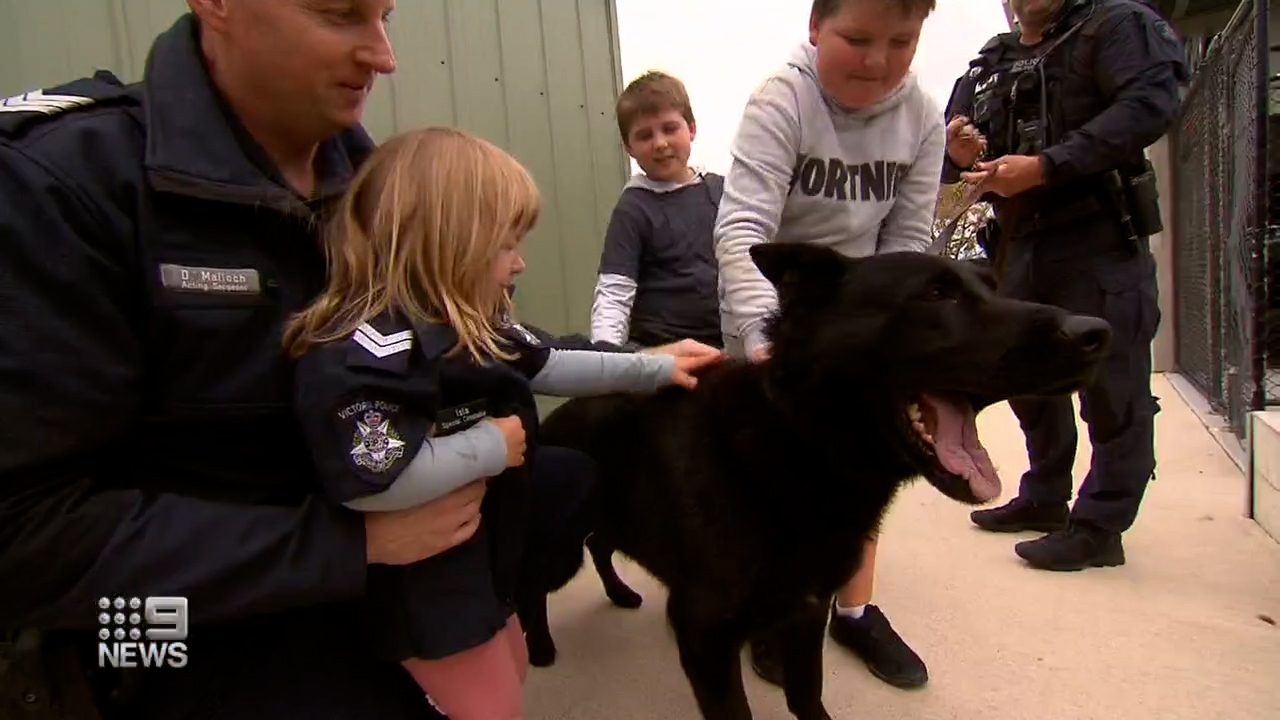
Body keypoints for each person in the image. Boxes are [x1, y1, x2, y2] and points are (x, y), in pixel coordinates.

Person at [0, 3, 720, 718]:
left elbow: (526, 354)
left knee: (565, 482)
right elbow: (25, 541)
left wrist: (650, 364)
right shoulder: (61, 184)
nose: (383, 54)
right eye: (339, 13)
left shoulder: (383, 187)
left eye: (383, 14)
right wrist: (350, 546)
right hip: (182, 606)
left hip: (386, 513)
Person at [285, 126, 718, 719]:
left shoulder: (470, 322)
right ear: (448, 245)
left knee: (508, 662)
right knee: (489, 701)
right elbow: (375, 478)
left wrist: (653, 369)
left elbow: (551, 364)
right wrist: (489, 445)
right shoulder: (368, 354)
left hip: (481, 558)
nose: (520, 262)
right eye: (505, 245)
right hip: (426, 588)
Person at [714, 0, 945, 691]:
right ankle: (766, 612)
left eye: (901, 41)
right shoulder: (779, 102)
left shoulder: (924, 120)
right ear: (816, 26)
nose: (877, 61)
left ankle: (854, 610)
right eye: (857, 39)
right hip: (772, 316)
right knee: (766, 482)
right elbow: (743, 229)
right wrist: (765, 341)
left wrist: (893, 345)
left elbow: (907, 243)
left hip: (860, 326)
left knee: (861, 470)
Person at [943, 0, 1187, 571]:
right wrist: (962, 159)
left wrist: (1048, 165)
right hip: (1018, 242)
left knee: (1112, 384)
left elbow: (1149, 105)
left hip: (1098, 237)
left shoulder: (1115, 25)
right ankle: (1045, 496)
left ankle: (1101, 525)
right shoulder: (986, 68)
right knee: (1027, 376)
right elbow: (953, 165)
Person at [590, 70, 725, 350]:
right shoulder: (634, 207)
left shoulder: (722, 191)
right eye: (644, 135)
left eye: (669, 128)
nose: (660, 143)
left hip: (726, 345)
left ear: (692, 129)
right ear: (629, 148)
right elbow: (614, 291)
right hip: (662, 351)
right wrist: (606, 359)